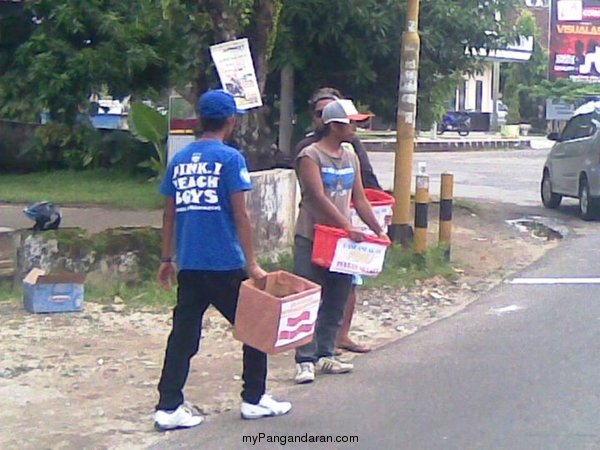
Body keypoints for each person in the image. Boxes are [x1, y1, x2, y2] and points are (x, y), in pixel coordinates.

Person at [153, 90, 291, 431]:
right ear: (231, 121)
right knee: (255, 328)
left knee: (183, 334)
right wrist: (253, 262)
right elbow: (241, 215)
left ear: (200, 120)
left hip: (190, 264)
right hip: (225, 262)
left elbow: (169, 214)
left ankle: (168, 405)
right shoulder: (230, 159)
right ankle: (254, 398)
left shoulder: (180, 160)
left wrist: (166, 258)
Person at [293, 98, 389, 384]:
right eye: (352, 124)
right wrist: (348, 226)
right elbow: (317, 198)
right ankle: (304, 359)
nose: (356, 130)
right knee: (309, 295)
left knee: (338, 295)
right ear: (334, 125)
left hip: (341, 240)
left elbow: (358, 198)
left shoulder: (350, 156)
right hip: (312, 235)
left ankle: (326, 353)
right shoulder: (310, 156)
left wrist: (378, 229)